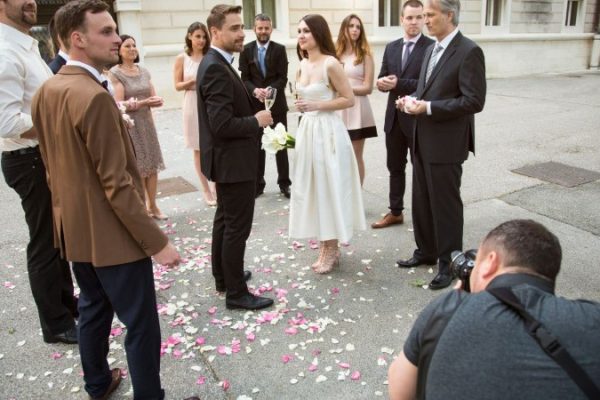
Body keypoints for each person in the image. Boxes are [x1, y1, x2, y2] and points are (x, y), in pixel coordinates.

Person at [31, 2, 199, 400]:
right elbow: (118, 184)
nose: (117, 38)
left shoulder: (47, 89)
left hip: (74, 229)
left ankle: (97, 383)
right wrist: (157, 242)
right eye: (105, 31)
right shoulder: (93, 96)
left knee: (93, 307)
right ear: (77, 38)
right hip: (113, 235)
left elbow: (53, 167)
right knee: (140, 324)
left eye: (115, 30)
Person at [388, 219, 600, 400]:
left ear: (489, 262)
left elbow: (400, 392)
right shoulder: (591, 319)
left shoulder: (450, 309)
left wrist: (459, 299)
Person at [0, 0, 78, 345]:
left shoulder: (28, 45)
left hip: (43, 154)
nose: (30, 1)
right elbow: (7, 122)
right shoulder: (5, 52)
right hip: (28, 159)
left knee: (58, 237)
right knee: (45, 241)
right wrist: (59, 124)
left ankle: (67, 304)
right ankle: (55, 324)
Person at [396, 0, 486, 290]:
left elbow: (474, 101)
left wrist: (429, 108)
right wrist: (410, 100)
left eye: (430, 15)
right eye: (423, 15)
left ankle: (449, 264)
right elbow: (427, 90)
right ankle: (426, 252)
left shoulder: (469, 51)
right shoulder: (430, 49)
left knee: (445, 206)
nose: (425, 20)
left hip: (447, 144)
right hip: (422, 139)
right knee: (421, 200)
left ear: (449, 15)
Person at [197, 4, 274, 310]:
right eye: (234, 28)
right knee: (236, 228)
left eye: (242, 27)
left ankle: (224, 276)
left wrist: (248, 99)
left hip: (227, 160)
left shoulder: (217, 61)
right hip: (233, 161)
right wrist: (257, 120)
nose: (242, 33)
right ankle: (237, 293)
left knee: (225, 221)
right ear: (215, 32)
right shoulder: (215, 66)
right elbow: (221, 125)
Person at [290, 14, 366, 274]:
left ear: (318, 33)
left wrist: (317, 104)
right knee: (313, 188)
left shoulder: (331, 64)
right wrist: (302, 105)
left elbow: (349, 99)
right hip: (308, 130)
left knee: (328, 187)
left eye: (306, 31)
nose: (301, 36)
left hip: (328, 132)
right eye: (299, 31)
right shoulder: (301, 64)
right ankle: (324, 245)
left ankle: (332, 247)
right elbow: (301, 97)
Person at [371, 0, 433, 229]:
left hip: (418, 121)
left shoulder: (431, 48)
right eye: (410, 17)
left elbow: (428, 83)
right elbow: (383, 76)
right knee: (395, 167)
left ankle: (423, 215)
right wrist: (381, 83)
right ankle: (395, 212)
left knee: (421, 170)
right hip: (394, 120)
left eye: (419, 17)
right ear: (402, 20)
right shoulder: (392, 47)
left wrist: (398, 83)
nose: (414, 22)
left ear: (424, 19)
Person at [110, 34, 167, 220]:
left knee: (153, 165)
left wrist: (156, 101)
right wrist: (143, 103)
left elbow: (152, 95)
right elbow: (118, 105)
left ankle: (153, 206)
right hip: (130, 125)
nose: (132, 49)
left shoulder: (143, 71)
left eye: (134, 45)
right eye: (127, 46)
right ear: (119, 51)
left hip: (147, 123)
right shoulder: (115, 73)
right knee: (139, 167)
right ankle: (142, 208)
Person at [239, 13, 292, 199]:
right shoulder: (245, 50)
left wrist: (271, 89)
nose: (263, 31)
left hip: (277, 106)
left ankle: (285, 183)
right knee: (257, 145)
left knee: (281, 144)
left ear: (271, 29)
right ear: (254, 29)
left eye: (266, 28)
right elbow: (244, 78)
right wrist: (255, 91)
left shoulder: (280, 49)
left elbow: (283, 78)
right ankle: (258, 184)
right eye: (260, 28)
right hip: (255, 107)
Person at [173, 21, 217, 207]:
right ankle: (206, 190)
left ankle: (216, 185)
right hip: (191, 102)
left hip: (209, 102)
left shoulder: (210, 56)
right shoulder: (182, 58)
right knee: (198, 148)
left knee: (214, 144)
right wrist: (191, 82)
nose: (201, 40)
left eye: (204, 37)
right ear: (190, 36)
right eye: (198, 36)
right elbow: (177, 85)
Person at [334, 13, 377, 186]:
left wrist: (346, 90)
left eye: (358, 27)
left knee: (355, 155)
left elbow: (368, 88)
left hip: (358, 109)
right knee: (338, 154)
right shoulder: (335, 55)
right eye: (351, 26)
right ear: (344, 29)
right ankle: (341, 194)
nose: (355, 30)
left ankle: (356, 196)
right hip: (338, 109)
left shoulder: (365, 55)